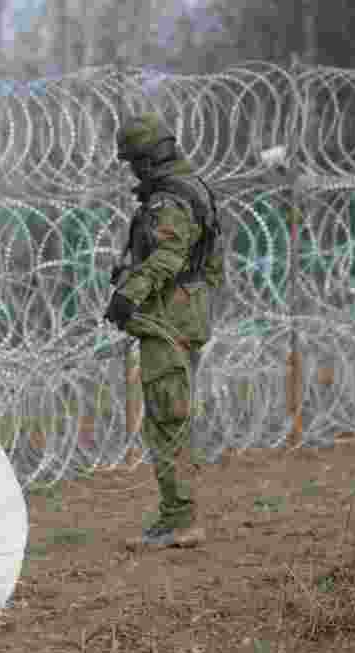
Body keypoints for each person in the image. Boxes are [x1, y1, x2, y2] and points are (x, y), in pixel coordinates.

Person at [104, 113, 224, 551]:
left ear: (150, 158)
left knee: (167, 418)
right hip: (180, 315)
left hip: (169, 319)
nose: (133, 171)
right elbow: (205, 264)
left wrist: (129, 294)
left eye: (135, 162)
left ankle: (181, 519)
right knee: (170, 413)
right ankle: (177, 513)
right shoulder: (186, 189)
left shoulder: (172, 199)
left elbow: (169, 256)